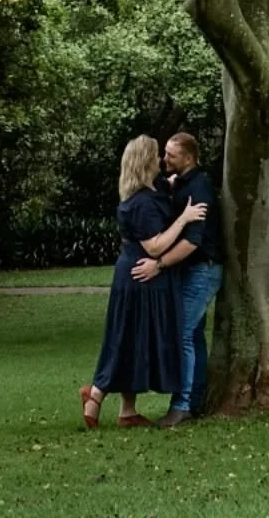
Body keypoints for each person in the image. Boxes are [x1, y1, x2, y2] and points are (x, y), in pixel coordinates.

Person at [80, 135, 207, 430]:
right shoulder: (141, 202)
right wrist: (185, 219)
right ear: (145, 162)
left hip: (141, 275)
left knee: (136, 341)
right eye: (156, 155)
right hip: (141, 275)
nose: (161, 160)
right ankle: (96, 396)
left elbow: (167, 185)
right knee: (126, 339)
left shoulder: (153, 190)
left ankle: (127, 411)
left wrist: (175, 182)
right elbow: (154, 246)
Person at [131, 130, 224, 427]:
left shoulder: (199, 188)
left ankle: (182, 404)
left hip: (202, 269)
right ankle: (193, 399)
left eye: (171, 155)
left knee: (182, 333)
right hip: (192, 270)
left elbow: (192, 241)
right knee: (193, 334)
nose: (164, 159)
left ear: (188, 158)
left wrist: (158, 264)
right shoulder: (181, 183)